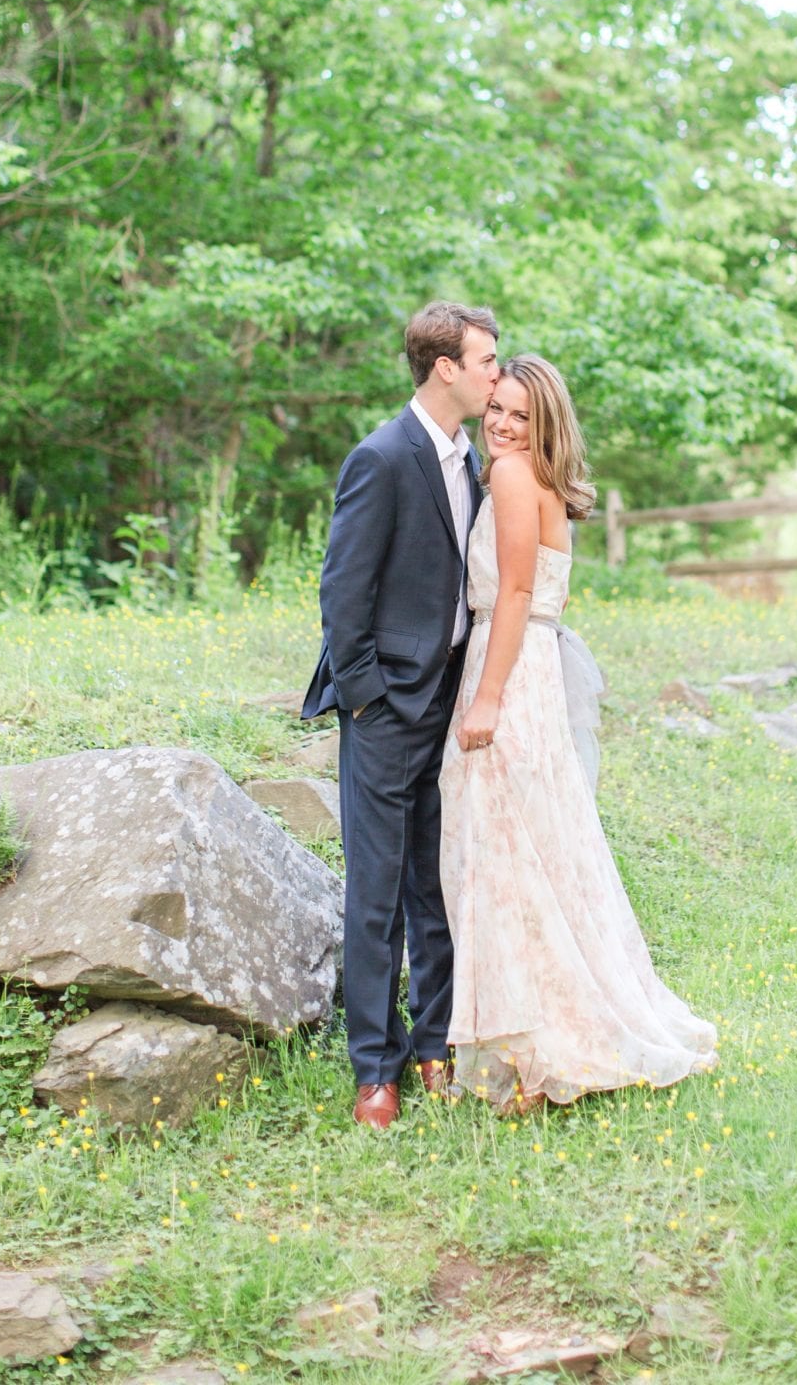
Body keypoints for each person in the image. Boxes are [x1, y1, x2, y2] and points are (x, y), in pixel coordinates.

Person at [439, 355, 718, 1113]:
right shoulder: (543, 482)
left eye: (519, 416)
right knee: (541, 856)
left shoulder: (509, 477)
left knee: (504, 861)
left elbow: (519, 592)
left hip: (511, 671)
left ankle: (539, 1046)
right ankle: (533, 1033)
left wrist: (488, 698)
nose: (499, 423)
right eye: (495, 407)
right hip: (530, 664)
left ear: (544, 425)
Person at [302, 301, 500, 1129]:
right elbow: (342, 593)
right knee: (377, 892)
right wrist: (367, 698)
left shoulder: (474, 462)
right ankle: (374, 1070)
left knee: (436, 883)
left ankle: (434, 1046)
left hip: (449, 704)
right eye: (487, 360)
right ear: (444, 368)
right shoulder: (381, 457)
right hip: (385, 710)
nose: (498, 372)